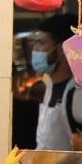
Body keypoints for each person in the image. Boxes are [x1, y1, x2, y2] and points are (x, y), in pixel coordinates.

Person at [31, 13, 82, 151]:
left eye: (41, 43)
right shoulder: (49, 88)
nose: (35, 50)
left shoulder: (77, 94)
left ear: (62, 49)